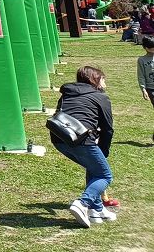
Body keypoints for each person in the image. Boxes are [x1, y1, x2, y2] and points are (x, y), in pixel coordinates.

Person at [51, 65, 116, 228]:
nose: (105, 82)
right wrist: (104, 149)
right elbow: (107, 128)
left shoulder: (67, 93)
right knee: (105, 175)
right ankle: (82, 203)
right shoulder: (101, 97)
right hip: (82, 139)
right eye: (103, 78)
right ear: (96, 80)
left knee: (93, 168)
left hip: (60, 138)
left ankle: (97, 211)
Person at [138, 35, 154, 142]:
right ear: (146, 47)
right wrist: (143, 89)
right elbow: (141, 75)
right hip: (151, 89)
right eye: (152, 47)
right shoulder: (142, 60)